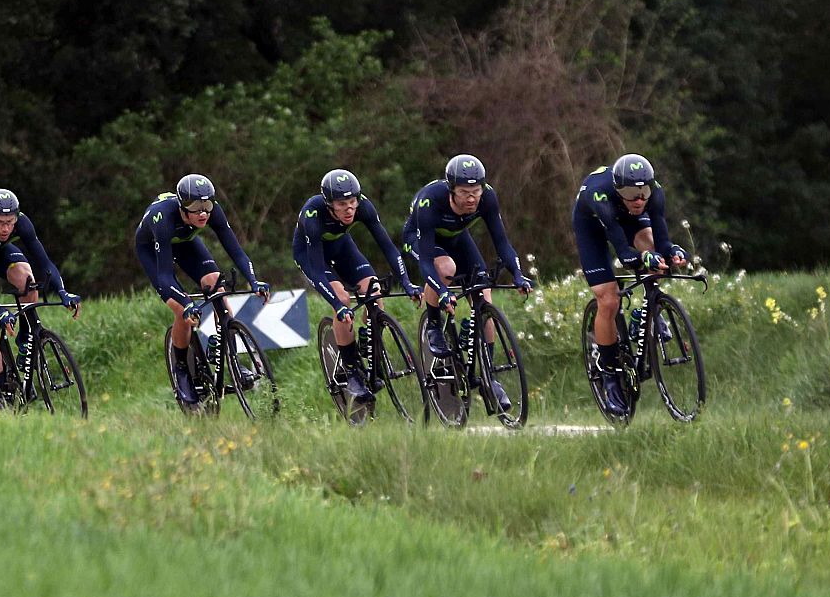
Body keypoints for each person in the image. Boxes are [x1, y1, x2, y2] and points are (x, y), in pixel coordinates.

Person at [401, 154, 533, 412]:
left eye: (476, 191)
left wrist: (517, 274)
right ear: (451, 190)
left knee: (484, 293)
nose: (472, 198)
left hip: (457, 238)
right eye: (464, 192)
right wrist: (441, 292)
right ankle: (434, 327)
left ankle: (488, 376)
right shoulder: (430, 201)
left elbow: (502, 242)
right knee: (446, 268)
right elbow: (427, 262)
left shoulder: (488, 197)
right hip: (422, 241)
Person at [136, 174, 271, 410]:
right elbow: (166, 276)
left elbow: (236, 251)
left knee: (215, 284)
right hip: (154, 249)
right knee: (182, 310)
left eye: (207, 206)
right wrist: (185, 303)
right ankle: (182, 371)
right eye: (196, 208)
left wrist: (253, 280)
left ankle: (230, 357)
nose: (203, 213)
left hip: (186, 242)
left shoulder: (212, 210)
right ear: (182, 206)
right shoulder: (163, 218)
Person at [292, 168, 419, 405]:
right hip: (312, 257)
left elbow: (388, 247)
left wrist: (407, 282)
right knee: (342, 298)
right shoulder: (313, 214)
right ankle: (351, 372)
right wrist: (337, 305)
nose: (349, 208)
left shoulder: (363, 206)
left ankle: (369, 348)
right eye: (342, 204)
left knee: (374, 291)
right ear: (329, 204)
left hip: (342, 248)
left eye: (352, 201)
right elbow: (319, 271)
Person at [573, 153, 688, 415]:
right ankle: (611, 377)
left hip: (625, 219)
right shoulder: (600, 195)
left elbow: (662, 239)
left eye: (643, 192)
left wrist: (672, 252)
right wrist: (642, 257)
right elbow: (624, 253)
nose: (638, 199)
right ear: (617, 188)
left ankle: (648, 311)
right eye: (630, 192)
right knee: (609, 299)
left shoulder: (653, 194)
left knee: (650, 245)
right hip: (593, 225)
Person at [0, 189, 81, 406]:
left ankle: (26, 342)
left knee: (28, 281)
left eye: (10, 222)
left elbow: (45, 263)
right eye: (0, 222)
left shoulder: (22, 223)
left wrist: (63, 292)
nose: (6, 228)